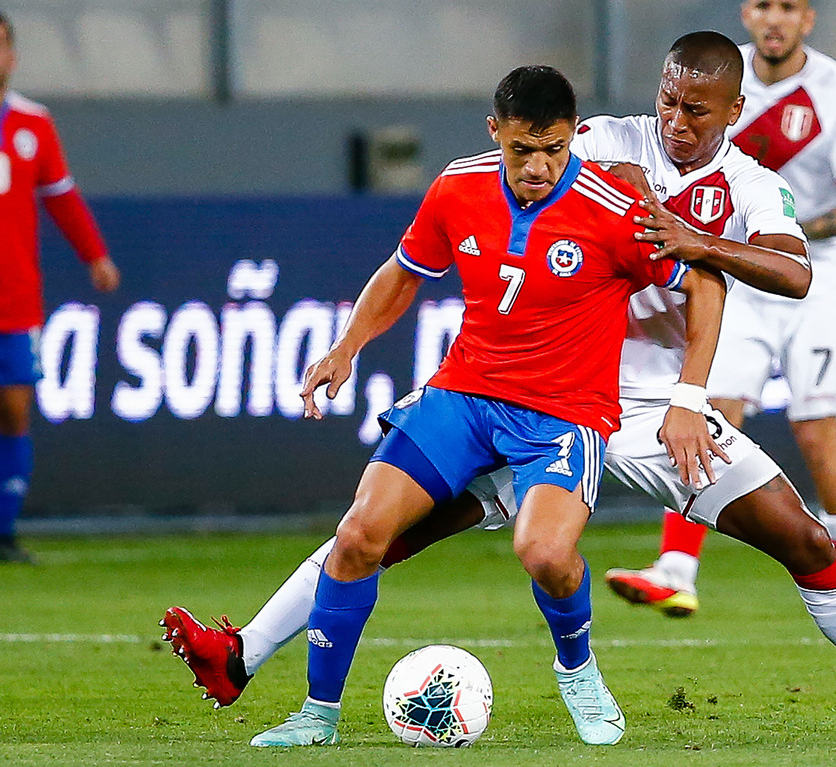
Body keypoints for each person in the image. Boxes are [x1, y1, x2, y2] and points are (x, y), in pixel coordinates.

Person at [163, 34, 836, 741]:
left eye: (697, 110)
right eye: (668, 100)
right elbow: (515, 174)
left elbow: (793, 270)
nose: (676, 120)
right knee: (379, 536)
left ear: (731, 114)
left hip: (668, 409)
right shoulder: (601, 141)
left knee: (804, 540)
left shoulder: (749, 185)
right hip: (549, 398)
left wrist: (696, 275)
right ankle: (243, 655)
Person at [164, 64, 728, 748]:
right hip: (463, 396)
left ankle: (577, 669)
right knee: (358, 536)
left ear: (572, 139)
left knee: (545, 554)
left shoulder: (614, 209)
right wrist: (348, 347)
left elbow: (704, 284)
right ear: (496, 133)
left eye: (555, 150)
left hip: (564, 414)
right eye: (523, 150)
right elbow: (404, 271)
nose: (540, 168)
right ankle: (318, 714)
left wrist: (689, 395)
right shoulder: (458, 186)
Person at [606, 0, 836, 616]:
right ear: (747, 13)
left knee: (816, 433)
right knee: (711, 407)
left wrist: (777, 237)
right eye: (765, 5)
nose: (776, 18)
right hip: (733, 274)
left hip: (814, 277)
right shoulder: (718, 86)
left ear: (806, 19)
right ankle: (677, 567)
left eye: (789, 7)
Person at [0, 10, 121, 564]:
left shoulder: (32, 123)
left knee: (14, 410)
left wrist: (95, 256)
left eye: (1, 46)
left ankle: (4, 530)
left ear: (13, 55)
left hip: (14, 298)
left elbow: (62, 197)